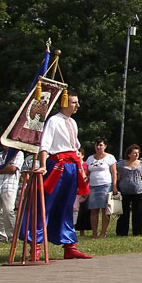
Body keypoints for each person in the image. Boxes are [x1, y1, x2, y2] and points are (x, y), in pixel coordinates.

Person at [26, 93, 92, 259]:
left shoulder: (73, 122)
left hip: (72, 167)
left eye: (77, 102)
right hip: (57, 167)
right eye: (74, 102)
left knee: (67, 205)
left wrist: (82, 170)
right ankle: (36, 245)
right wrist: (42, 165)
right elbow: (45, 145)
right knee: (45, 205)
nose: (77, 105)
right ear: (64, 103)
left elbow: (76, 149)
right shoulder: (54, 121)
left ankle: (70, 245)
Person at [85, 139, 118, 239]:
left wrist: (114, 186)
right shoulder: (90, 158)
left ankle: (103, 233)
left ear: (105, 146)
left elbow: (114, 173)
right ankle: (94, 233)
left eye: (100, 145)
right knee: (94, 210)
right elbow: (87, 173)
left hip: (105, 185)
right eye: (97, 145)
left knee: (104, 210)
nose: (98, 147)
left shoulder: (110, 157)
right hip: (93, 186)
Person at [0, 149, 26, 243]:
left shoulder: (18, 153)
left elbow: (13, 169)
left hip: (9, 185)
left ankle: (12, 237)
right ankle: (0, 238)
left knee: (8, 210)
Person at [116, 144, 142, 236]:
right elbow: (118, 176)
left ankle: (138, 231)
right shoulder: (120, 164)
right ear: (129, 154)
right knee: (123, 212)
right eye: (134, 153)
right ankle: (122, 231)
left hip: (139, 190)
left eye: (138, 153)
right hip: (124, 190)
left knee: (138, 211)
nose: (136, 155)